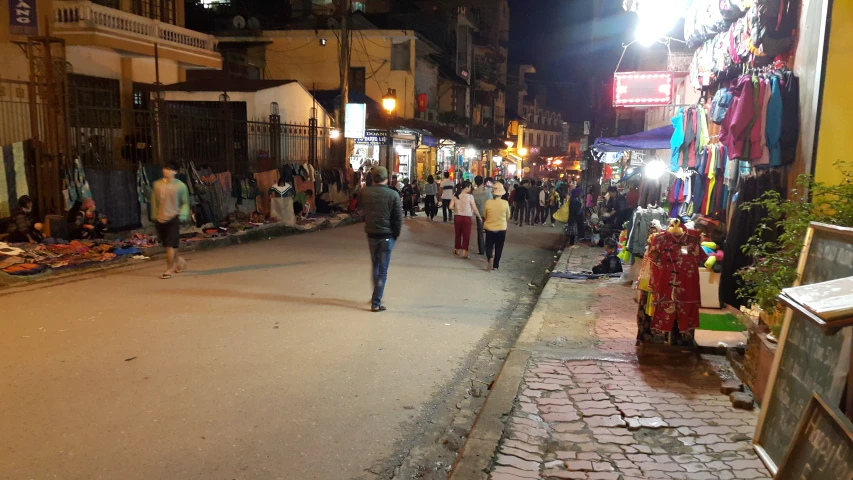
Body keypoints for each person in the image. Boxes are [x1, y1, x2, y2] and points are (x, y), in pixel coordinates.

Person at [358, 167, 403, 312]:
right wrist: (395, 235)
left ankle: (375, 296)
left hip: (371, 234)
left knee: (375, 265)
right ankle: (376, 303)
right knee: (383, 270)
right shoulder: (393, 194)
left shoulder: (364, 192)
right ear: (387, 178)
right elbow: (398, 218)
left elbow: (360, 209)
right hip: (387, 236)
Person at [151, 161, 190, 279]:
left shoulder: (181, 186)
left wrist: (183, 215)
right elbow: (154, 201)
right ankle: (179, 260)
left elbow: (185, 203)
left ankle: (169, 268)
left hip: (174, 217)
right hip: (160, 218)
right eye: (165, 169)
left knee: (170, 245)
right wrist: (154, 214)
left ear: (176, 172)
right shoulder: (157, 184)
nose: (167, 171)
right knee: (169, 245)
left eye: (170, 169)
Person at [483, 182, 511, 271]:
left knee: (489, 245)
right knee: (499, 247)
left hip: (490, 227)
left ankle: (490, 257)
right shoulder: (505, 203)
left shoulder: (488, 202)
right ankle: (495, 266)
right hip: (501, 228)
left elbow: (485, 215)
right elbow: (508, 216)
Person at [450, 180, 481, 258]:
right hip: (467, 218)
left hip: (457, 217)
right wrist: (479, 217)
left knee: (458, 234)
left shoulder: (455, 195)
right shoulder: (470, 197)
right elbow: (474, 208)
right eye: (470, 187)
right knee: (466, 235)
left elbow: (450, 207)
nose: (471, 188)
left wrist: (456, 210)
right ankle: (464, 253)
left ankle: (457, 250)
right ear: (466, 188)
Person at [472, 175, 493, 255]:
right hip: (489, 213)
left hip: (479, 213)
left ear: (475, 182)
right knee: (489, 231)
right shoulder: (488, 191)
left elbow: (474, 204)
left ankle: (481, 250)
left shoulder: (474, 192)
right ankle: (488, 247)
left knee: (480, 232)